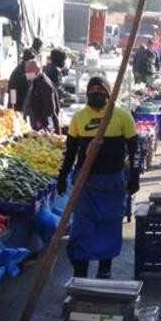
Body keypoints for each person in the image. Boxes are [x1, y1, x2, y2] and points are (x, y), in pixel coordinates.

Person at [57, 76, 140, 279]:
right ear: (87, 93)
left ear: (109, 93)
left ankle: (105, 268)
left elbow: (135, 149)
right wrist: (63, 175)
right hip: (86, 185)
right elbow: (70, 152)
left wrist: (135, 175)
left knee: (109, 226)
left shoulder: (122, 116)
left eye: (100, 90)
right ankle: (80, 271)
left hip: (112, 183)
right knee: (82, 228)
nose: (96, 93)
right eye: (92, 90)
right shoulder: (78, 117)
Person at [22, 60, 60, 134]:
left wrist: (41, 120)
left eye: (29, 71)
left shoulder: (44, 84)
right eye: (26, 71)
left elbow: (50, 107)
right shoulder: (36, 81)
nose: (27, 74)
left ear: (37, 70)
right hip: (37, 121)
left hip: (44, 124)